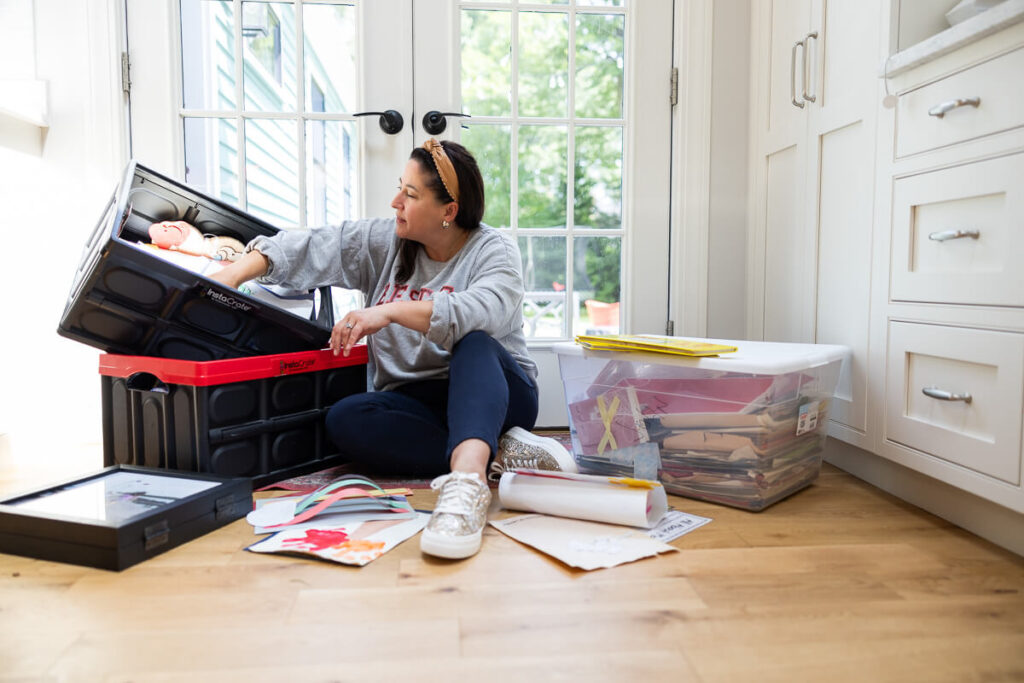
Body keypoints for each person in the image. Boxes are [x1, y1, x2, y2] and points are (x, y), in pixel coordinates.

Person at [200, 138, 576, 559]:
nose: (396, 200)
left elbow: (479, 311)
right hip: (420, 402)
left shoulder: (493, 250)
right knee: (347, 419)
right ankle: (495, 451)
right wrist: (233, 274)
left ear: (448, 212)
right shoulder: (386, 240)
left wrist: (390, 312)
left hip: (497, 390)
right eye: (401, 186)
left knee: (474, 342)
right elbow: (310, 246)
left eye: (411, 195)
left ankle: (467, 486)